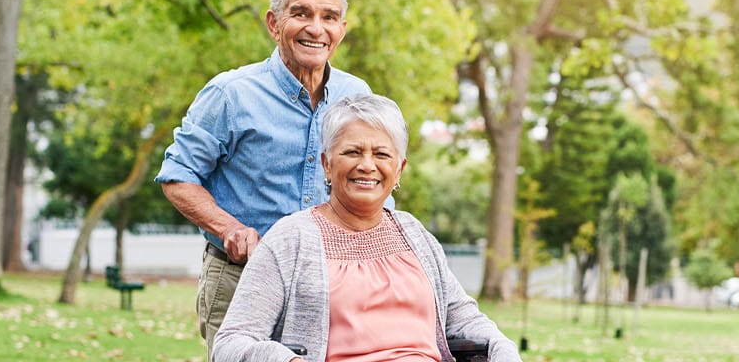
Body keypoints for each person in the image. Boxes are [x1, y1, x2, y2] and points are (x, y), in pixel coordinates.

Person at [154, 0, 371, 352]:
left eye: (329, 18)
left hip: (330, 282)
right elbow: (177, 175)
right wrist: (228, 228)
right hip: (241, 278)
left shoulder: (357, 97)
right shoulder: (230, 94)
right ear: (274, 23)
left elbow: (373, 181)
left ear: (342, 29)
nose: (316, 29)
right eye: (301, 14)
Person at [212, 94, 519, 362]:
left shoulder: (414, 234)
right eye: (352, 152)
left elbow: (464, 318)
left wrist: (502, 349)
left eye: (381, 154)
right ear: (327, 164)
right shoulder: (290, 239)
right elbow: (230, 344)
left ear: (399, 169)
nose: (367, 165)